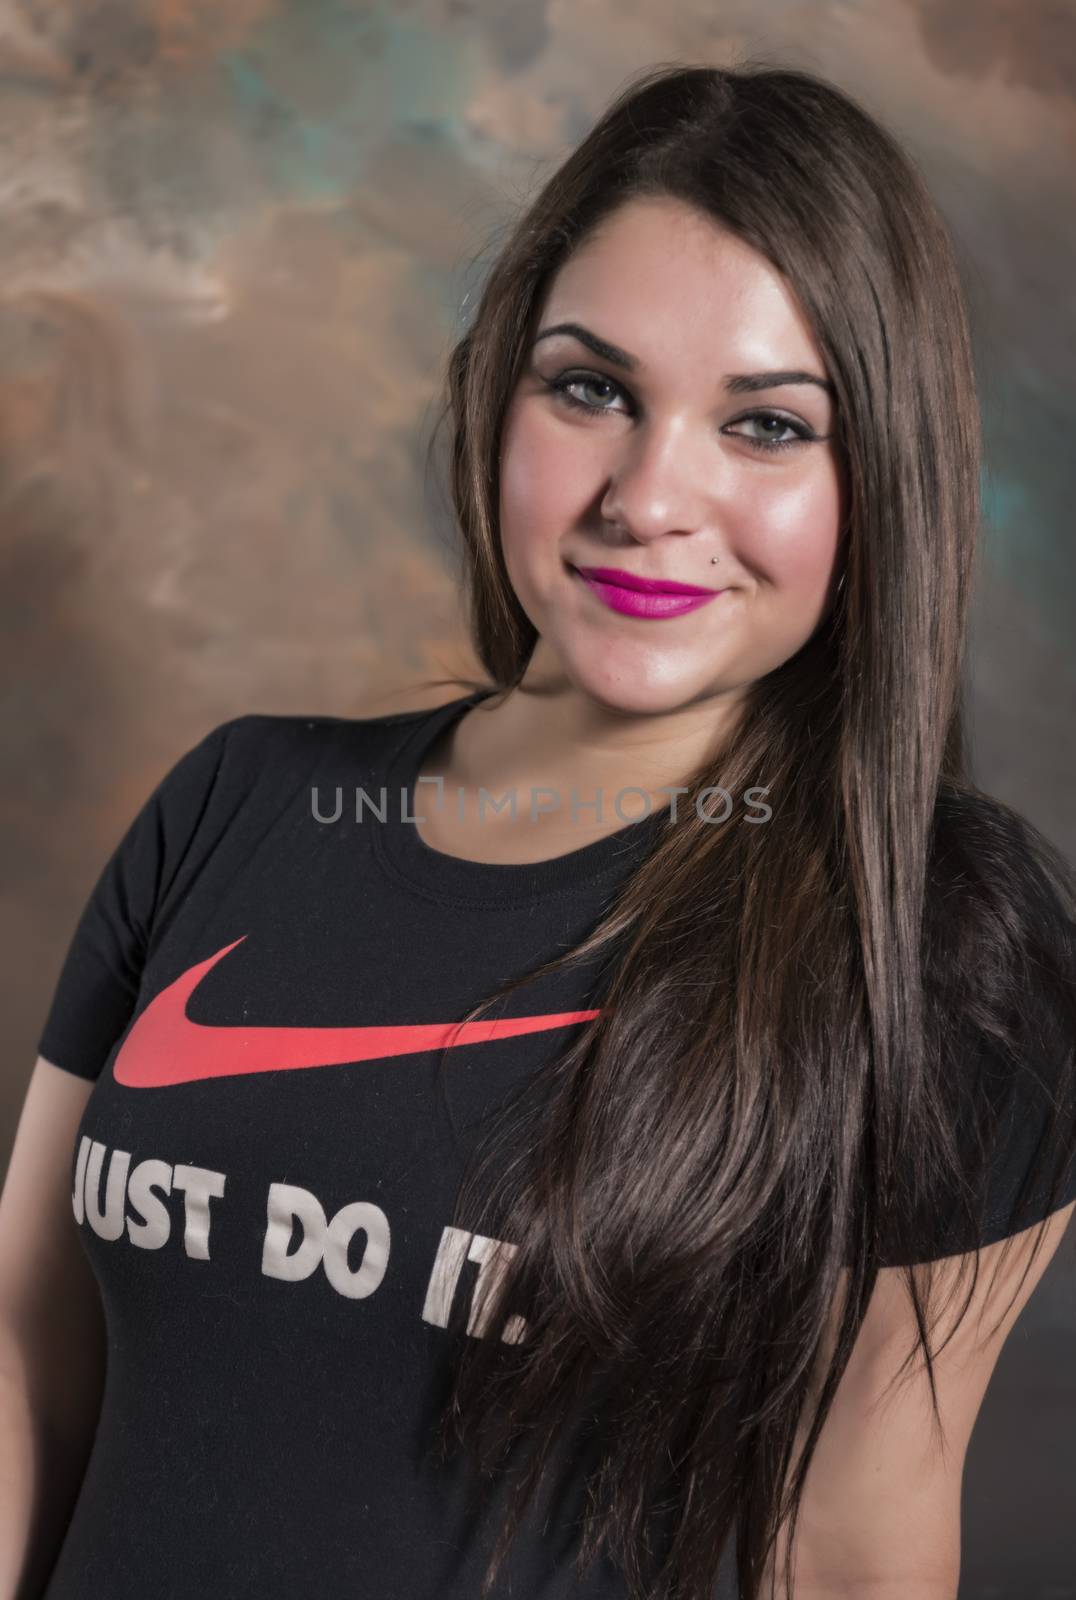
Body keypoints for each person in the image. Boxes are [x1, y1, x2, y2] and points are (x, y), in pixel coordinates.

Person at [2, 58, 1075, 1600]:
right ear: (501, 391)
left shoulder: (947, 943)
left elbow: (848, 1554)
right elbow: (28, 1360)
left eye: (767, 426)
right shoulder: (240, 802)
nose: (652, 494)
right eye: (592, 389)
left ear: (880, 475)